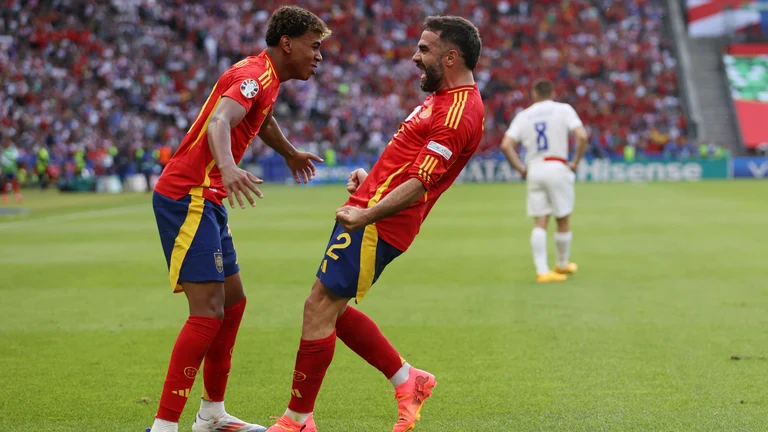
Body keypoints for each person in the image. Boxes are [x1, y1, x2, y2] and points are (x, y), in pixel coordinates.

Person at [265, 15, 484, 432]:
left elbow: (421, 183)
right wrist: (373, 181)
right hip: (371, 210)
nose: (415, 57)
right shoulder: (441, 96)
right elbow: (410, 165)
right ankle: (409, 380)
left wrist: (367, 214)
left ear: (451, 57)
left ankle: (297, 421)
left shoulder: (458, 112)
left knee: (318, 309)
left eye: (424, 50)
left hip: (378, 224)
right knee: (330, 308)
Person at [148, 6, 330, 432]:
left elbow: (260, 118)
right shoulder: (251, 75)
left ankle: (211, 414)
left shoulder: (267, 79)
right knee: (207, 312)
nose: (319, 55)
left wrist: (289, 153)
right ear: (287, 43)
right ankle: (163, 426)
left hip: (208, 198)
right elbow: (220, 120)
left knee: (233, 302)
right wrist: (228, 167)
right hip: (189, 194)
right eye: (314, 45)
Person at [499, 79, 588, 283]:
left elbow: (506, 145)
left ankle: (542, 271)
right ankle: (562, 264)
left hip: (535, 168)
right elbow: (582, 136)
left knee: (540, 221)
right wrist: (575, 161)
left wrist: (521, 169)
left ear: (534, 94)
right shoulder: (563, 109)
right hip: (557, 166)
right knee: (563, 218)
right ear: (552, 93)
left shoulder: (524, 115)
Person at [1, 139, 22, 204]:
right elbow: (17, 158)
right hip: (9, 169)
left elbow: (3, 161)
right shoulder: (11, 151)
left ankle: (16, 195)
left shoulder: (5, 151)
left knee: (11, 182)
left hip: (9, 169)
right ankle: (7, 196)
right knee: (9, 182)